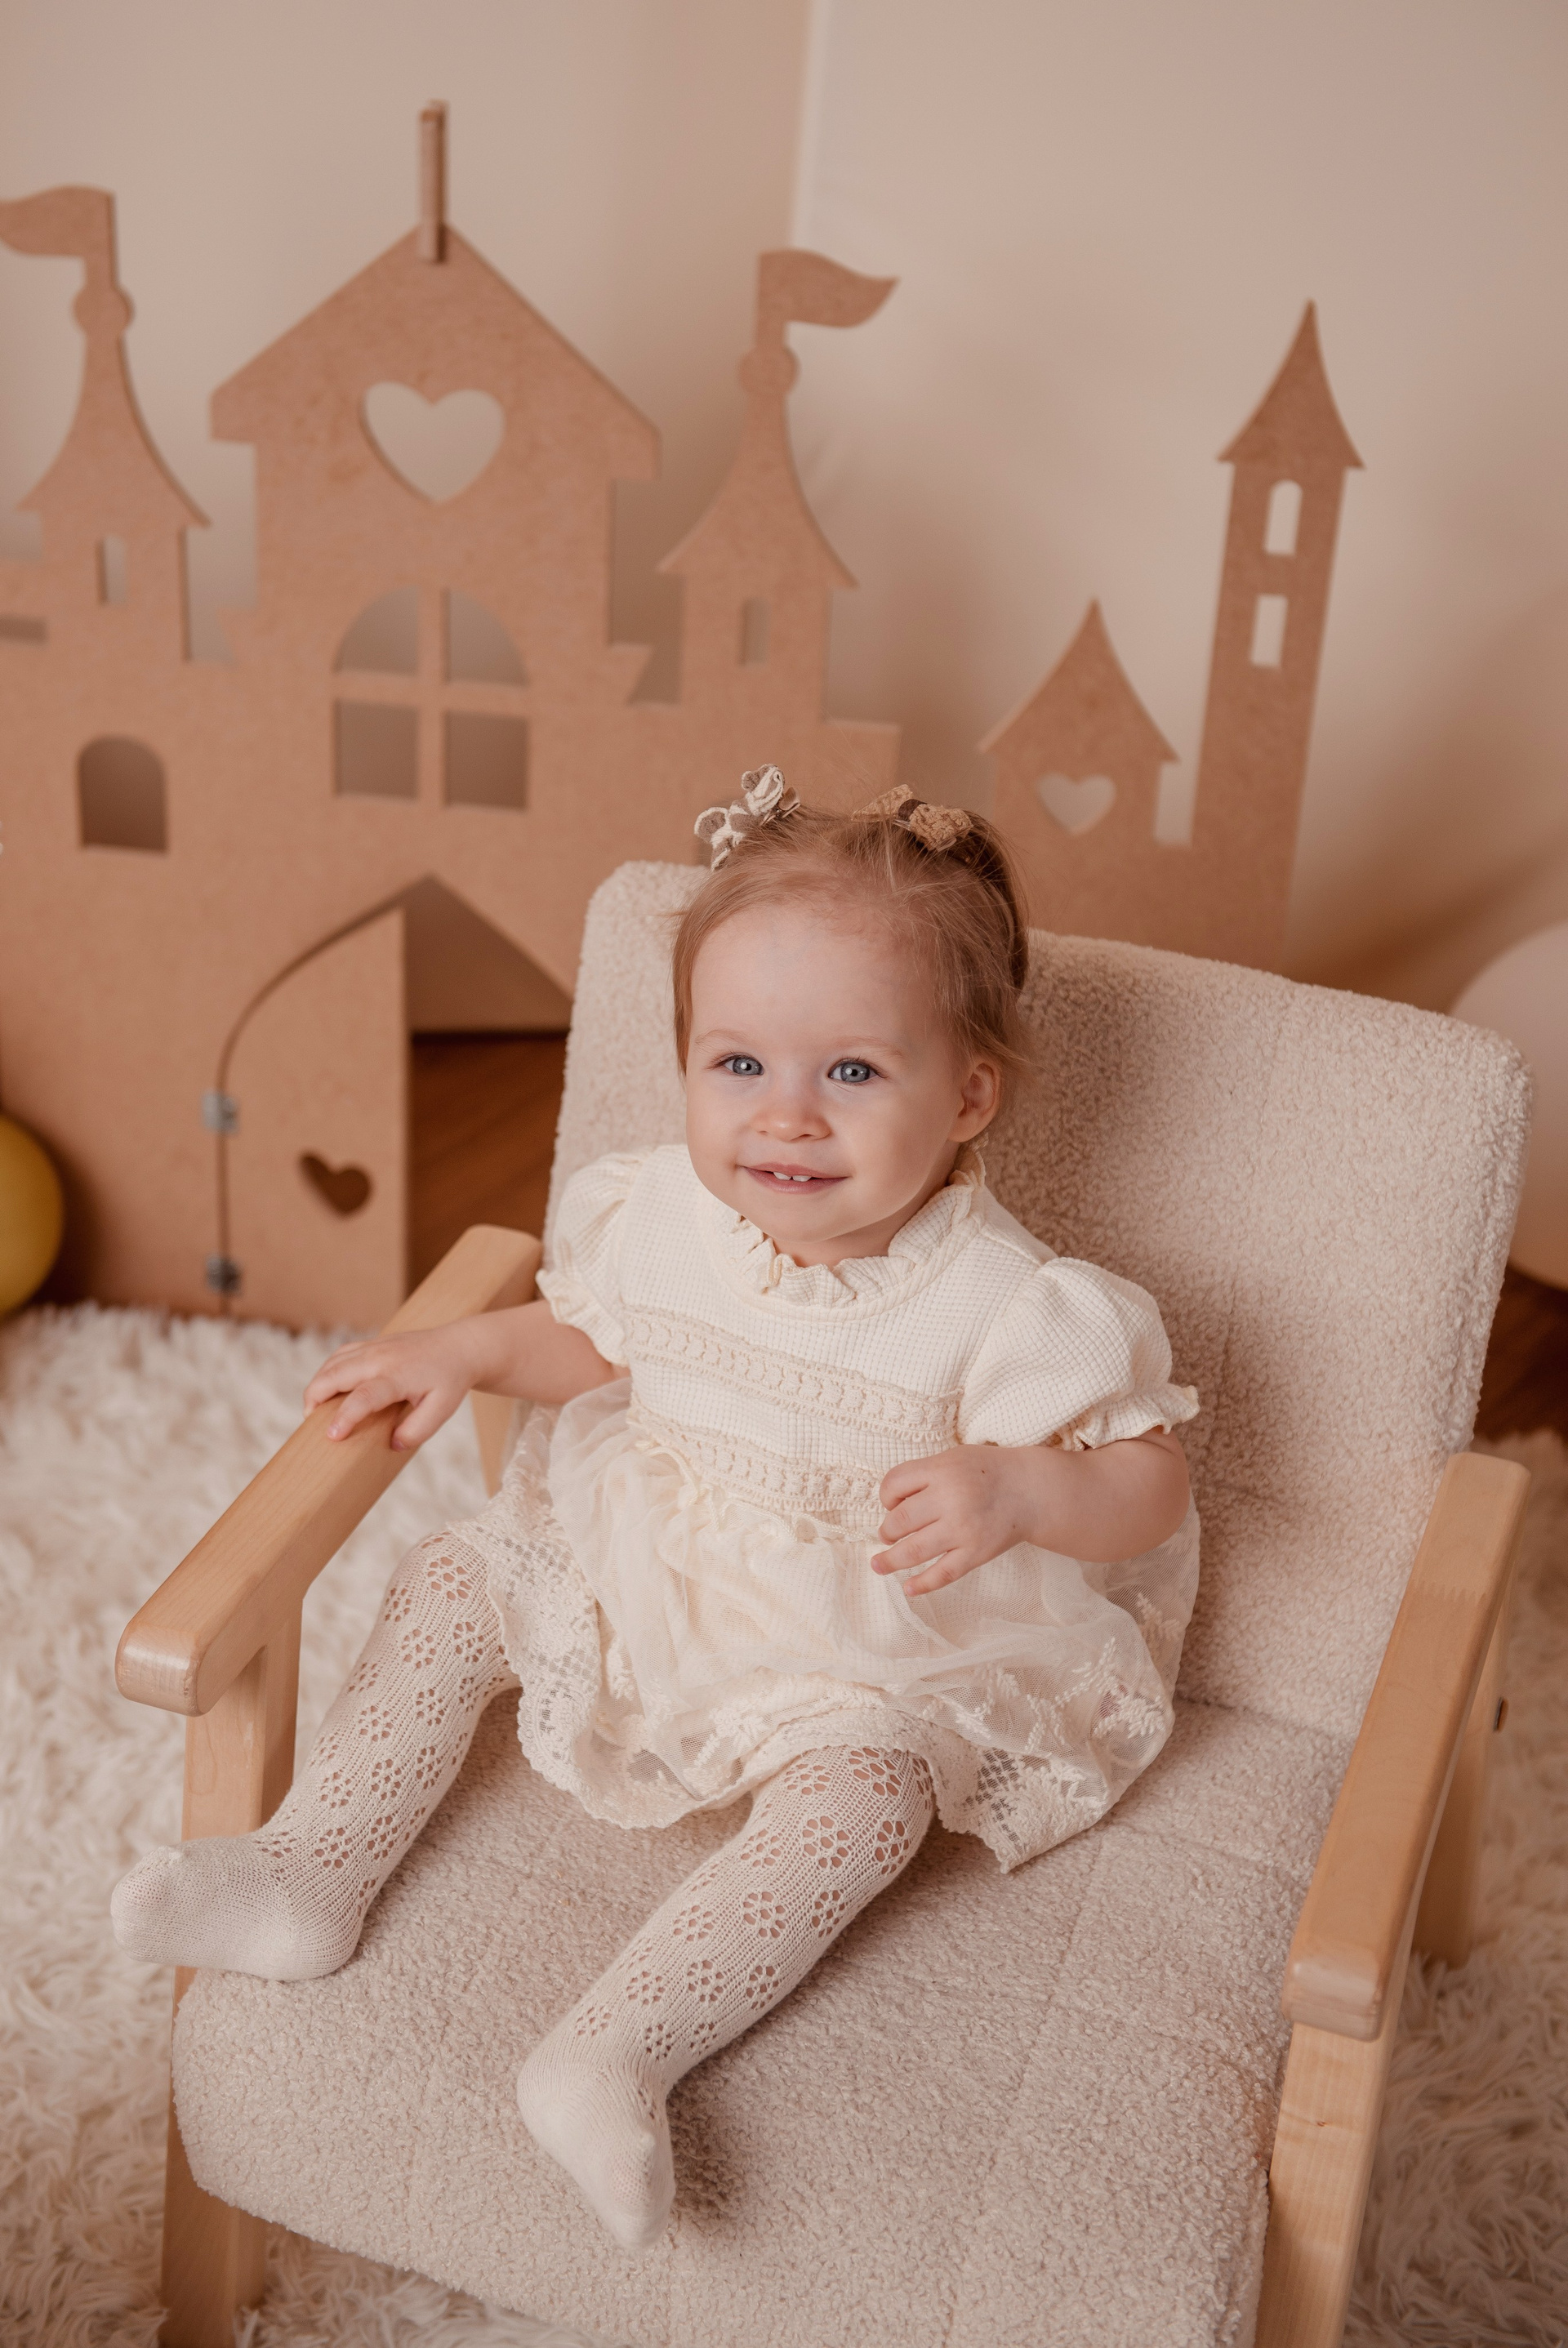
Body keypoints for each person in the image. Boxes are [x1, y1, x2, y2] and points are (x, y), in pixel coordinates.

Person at [113, 769, 1200, 2252]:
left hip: (861, 1624)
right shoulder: (662, 1218)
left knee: (869, 1797)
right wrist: (468, 1349)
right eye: (736, 1063)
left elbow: (1149, 1485)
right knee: (456, 1577)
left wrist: (1023, 1487)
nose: (785, 1118)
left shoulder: (1010, 1305)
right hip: (655, 1550)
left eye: (853, 1072)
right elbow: (607, 1343)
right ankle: (309, 1874)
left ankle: (616, 2049)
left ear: (968, 1095)